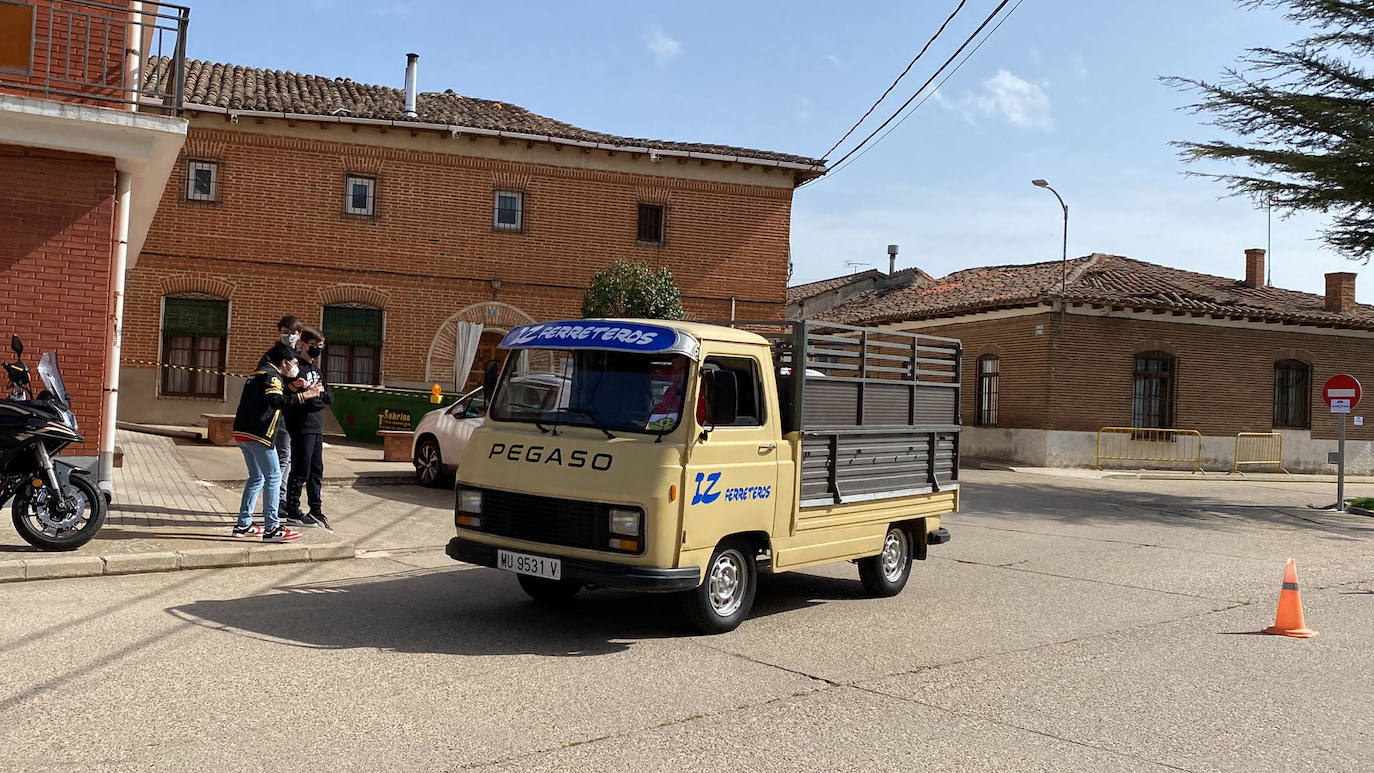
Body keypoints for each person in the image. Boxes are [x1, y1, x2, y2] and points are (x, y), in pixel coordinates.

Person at [232, 342, 322, 542]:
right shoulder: (273, 376)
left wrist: (291, 387)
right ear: (284, 362)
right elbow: (275, 401)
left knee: (257, 478)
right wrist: (305, 395)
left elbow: (269, 397)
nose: (296, 367)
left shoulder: (259, 374)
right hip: (260, 435)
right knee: (273, 477)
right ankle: (272, 527)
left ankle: (243, 524)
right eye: (294, 362)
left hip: (243, 433)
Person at [283, 327, 334, 530]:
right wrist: (312, 395)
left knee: (316, 471)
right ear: (302, 345)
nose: (316, 350)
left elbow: (328, 397)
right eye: (313, 346)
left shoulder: (316, 370)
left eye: (320, 346)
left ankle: (316, 509)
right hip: (301, 425)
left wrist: (316, 395)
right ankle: (293, 510)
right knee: (300, 470)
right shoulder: (296, 368)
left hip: (316, 426)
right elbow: (301, 399)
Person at [260, 315, 303, 509]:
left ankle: (280, 497)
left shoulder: (298, 355)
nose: (289, 336)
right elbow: (269, 383)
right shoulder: (275, 354)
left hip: (294, 411)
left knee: (289, 456)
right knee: (283, 456)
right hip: (279, 412)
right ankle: (278, 499)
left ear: (299, 334)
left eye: (292, 333)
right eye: (285, 333)